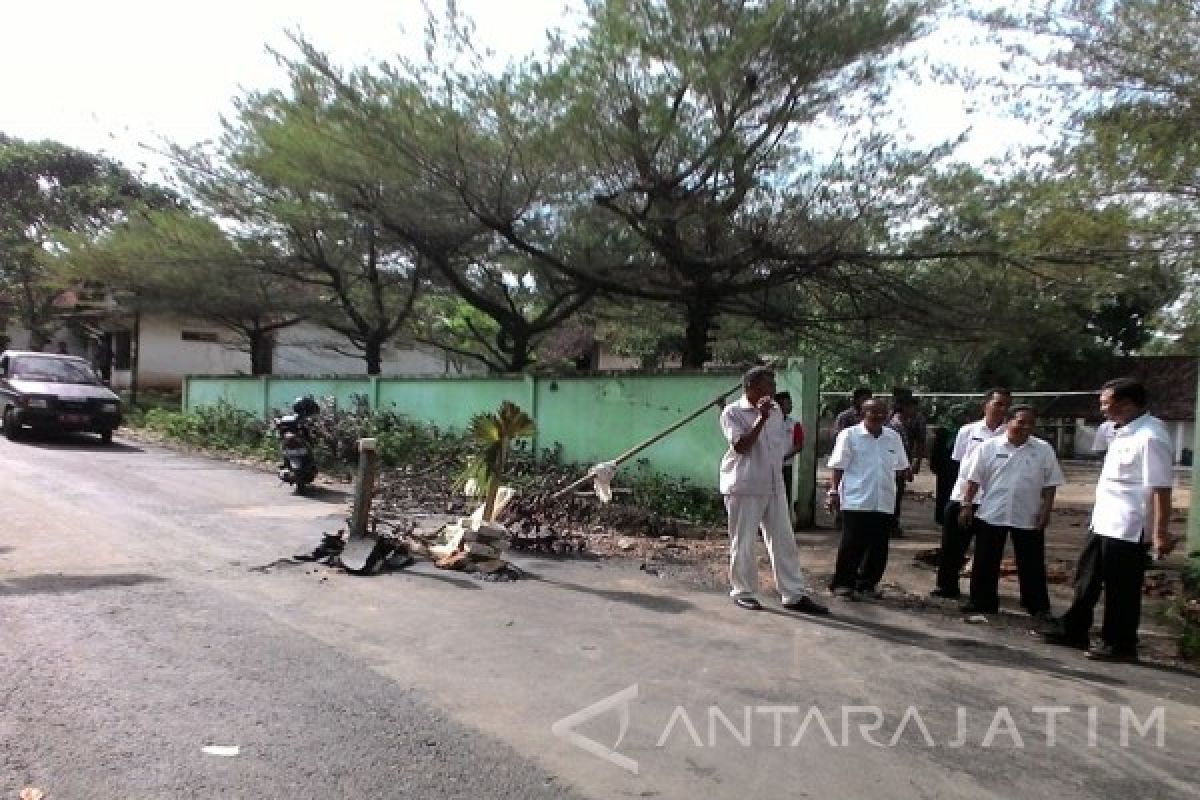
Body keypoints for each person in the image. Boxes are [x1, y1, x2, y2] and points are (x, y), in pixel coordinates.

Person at [1039, 378, 1176, 662]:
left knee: (1121, 587)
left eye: (1106, 404)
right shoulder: (1121, 431)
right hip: (1103, 519)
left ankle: (1120, 643)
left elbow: (1161, 488)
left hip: (1129, 525)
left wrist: (1160, 533)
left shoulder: (1151, 436)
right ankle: (1074, 628)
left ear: (1126, 404)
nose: (1102, 410)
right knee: (1086, 578)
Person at [719, 367, 829, 615]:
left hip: (774, 484)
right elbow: (741, 447)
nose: (772, 390)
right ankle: (743, 592)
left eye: (773, 385)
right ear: (750, 387)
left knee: (783, 540)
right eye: (767, 385)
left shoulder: (777, 411)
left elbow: (778, 449)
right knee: (744, 541)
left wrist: (768, 415)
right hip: (744, 485)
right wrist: (760, 418)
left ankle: (793, 594)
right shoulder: (732, 412)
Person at [958, 405, 1064, 619]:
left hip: (1028, 514)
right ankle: (982, 601)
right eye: (1021, 422)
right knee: (986, 560)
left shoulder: (1043, 450)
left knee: (1031, 562)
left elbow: (1050, 484)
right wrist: (967, 504)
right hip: (992, 512)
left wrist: (1046, 511)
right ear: (1008, 421)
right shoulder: (988, 448)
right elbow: (973, 479)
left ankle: (1037, 606)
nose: (1026, 427)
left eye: (1031, 424)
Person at [931, 388, 1012, 599]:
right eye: (998, 404)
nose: (1002, 409)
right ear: (985, 405)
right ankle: (946, 586)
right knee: (952, 545)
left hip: (991, 499)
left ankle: (983, 594)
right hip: (963, 495)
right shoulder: (968, 431)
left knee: (988, 552)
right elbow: (959, 462)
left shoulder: (1009, 433)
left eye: (1006, 405)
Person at [826, 398, 910, 599]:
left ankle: (867, 584)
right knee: (852, 544)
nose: (878, 416)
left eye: (883, 412)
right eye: (873, 412)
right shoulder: (849, 436)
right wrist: (833, 492)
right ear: (863, 414)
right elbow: (838, 466)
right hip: (857, 498)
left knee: (878, 546)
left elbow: (900, 466)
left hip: (884, 499)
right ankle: (843, 583)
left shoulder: (893, 437)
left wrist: (906, 475)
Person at [887, 392, 926, 536]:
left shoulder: (911, 421)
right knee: (892, 494)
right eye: (911, 408)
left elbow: (919, 441)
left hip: (901, 464)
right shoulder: (893, 423)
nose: (914, 411)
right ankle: (890, 524)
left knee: (897, 493)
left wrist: (914, 463)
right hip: (891, 464)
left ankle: (892, 522)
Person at [774, 391, 805, 504]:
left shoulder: (794, 424)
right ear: (778, 405)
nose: (791, 406)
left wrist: (783, 457)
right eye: (788, 403)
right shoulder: (767, 422)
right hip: (768, 466)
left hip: (785, 466)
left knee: (784, 497)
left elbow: (799, 445)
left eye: (790, 403)